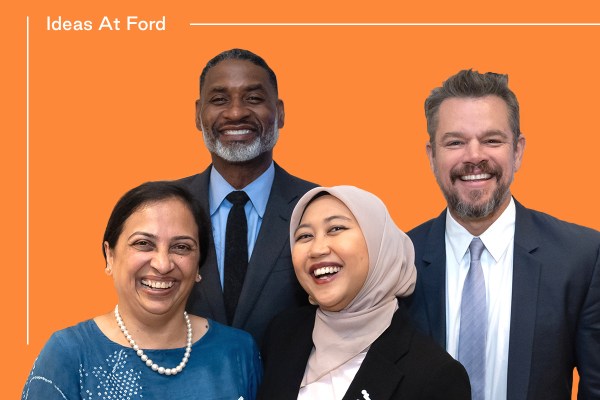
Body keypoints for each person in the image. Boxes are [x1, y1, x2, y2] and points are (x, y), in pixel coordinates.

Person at [406, 69, 600, 400]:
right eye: (455, 142)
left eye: (492, 140)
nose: (474, 156)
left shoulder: (581, 257)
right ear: (431, 156)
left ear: (518, 151)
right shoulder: (398, 258)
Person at [22, 181, 262, 400]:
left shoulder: (238, 351)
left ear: (199, 265)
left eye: (181, 247)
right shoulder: (69, 353)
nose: (163, 264)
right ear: (110, 255)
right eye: (143, 244)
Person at [258, 186, 471, 400]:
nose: (317, 249)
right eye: (304, 235)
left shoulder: (434, 375)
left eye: (335, 229)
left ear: (378, 244)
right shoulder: (281, 336)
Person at [178, 48, 317, 345]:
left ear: (279, 112)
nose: (236, 112)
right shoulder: (166, 206)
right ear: (198, 115)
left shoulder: (318, 206)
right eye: (219, 100)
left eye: (253, 98)